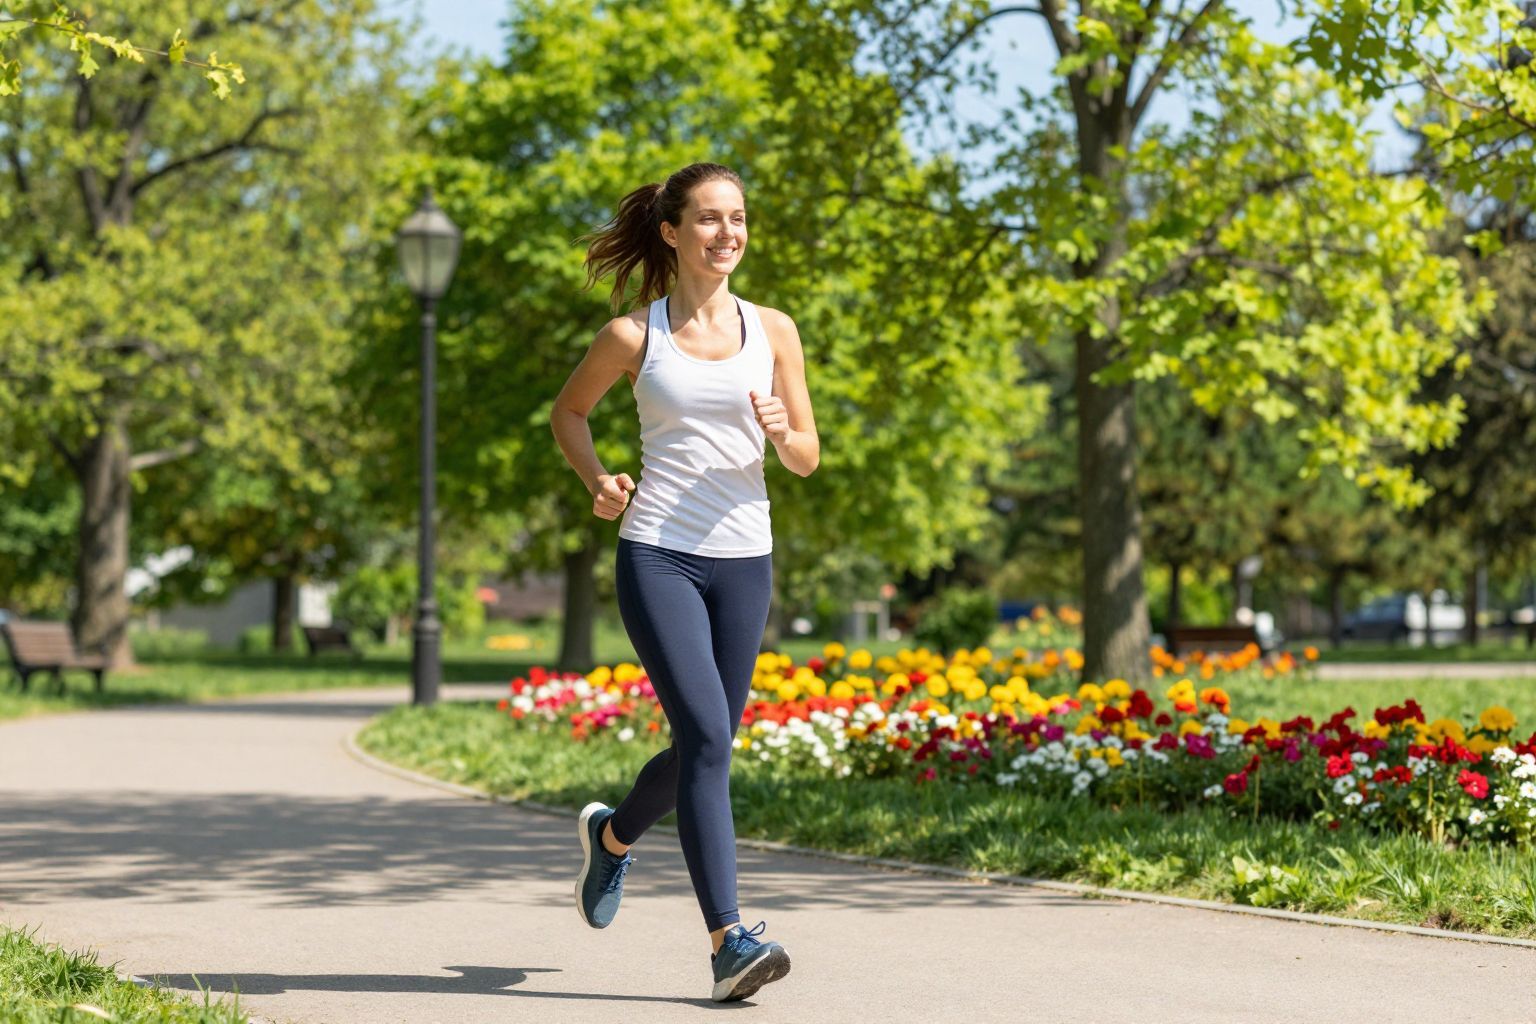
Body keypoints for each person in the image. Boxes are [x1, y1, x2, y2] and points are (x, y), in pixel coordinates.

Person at [550, 162, 819, 1003]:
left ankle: (615, 835)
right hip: (658, 550)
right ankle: (728, 941)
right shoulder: (634, 336)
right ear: (672, 232)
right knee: (705, 733)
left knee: (709, 743)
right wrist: (597, 480)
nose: (727, 233)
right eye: (708, 219)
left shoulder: (774, 329)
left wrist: (783, 433)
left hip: (746, 557)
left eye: (737, 218)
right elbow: (569, 413)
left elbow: (808, 458)